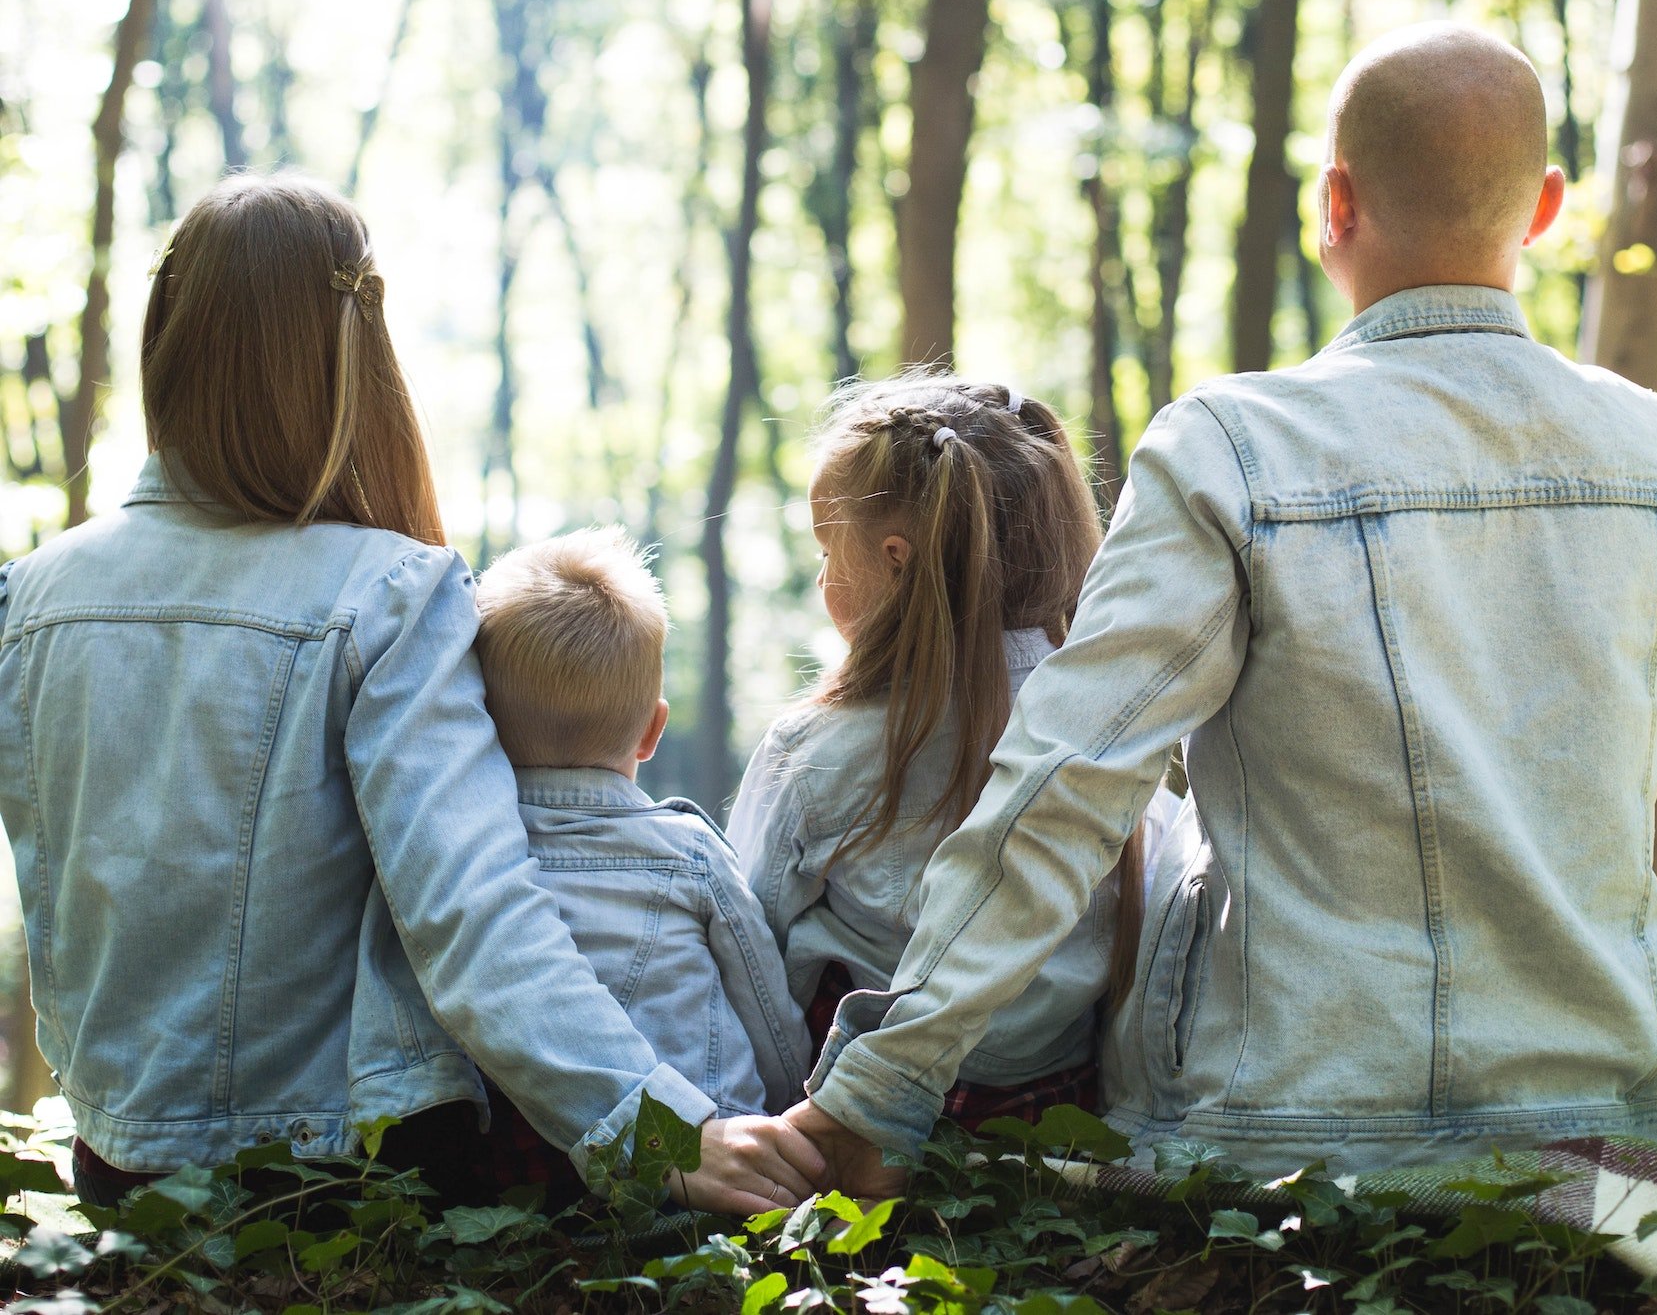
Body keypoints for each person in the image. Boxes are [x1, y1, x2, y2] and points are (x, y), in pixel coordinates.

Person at [786, 23, 1657, 1190]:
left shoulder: (1235, 448)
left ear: (1334, 203)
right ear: (1546, 210)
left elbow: (1067, 783)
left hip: (1286, 1140)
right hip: (1611, 1147)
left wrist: (880, 1090)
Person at [0, 173, 823, 1214]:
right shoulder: (389, 593)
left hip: (120, 1171)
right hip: (338, 1179)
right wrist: (659, 1131)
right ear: (355, 356)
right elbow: (472, 914)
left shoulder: (28, 597)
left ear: (166, 335)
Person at [728, 374, 1181, 1128]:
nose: (820, 577)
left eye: (827, 550)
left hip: (848, 1120)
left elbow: (750, 947)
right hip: (1056, 1118)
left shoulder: (813, 751)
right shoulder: (1115, 739)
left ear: (895, 560)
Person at [473, 526, 809, 1118]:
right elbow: (767, 1015)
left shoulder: (464, 857)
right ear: (653, 731)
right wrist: (788, 1105)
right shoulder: (689, 855)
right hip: (708, 1143)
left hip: (528, 1153)